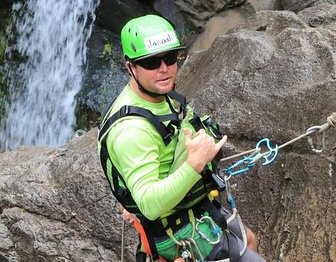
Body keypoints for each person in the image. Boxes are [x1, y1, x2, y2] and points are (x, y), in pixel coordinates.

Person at [98, 14, 265, 262]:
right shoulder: (130, 131)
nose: (164, 69)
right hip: (175, 231)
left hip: (195, 209)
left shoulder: (155, 95)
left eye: (169, 58)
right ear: (130, 67)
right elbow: (150, 205)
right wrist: (195, 163)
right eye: (151, 62)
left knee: (248, 239)